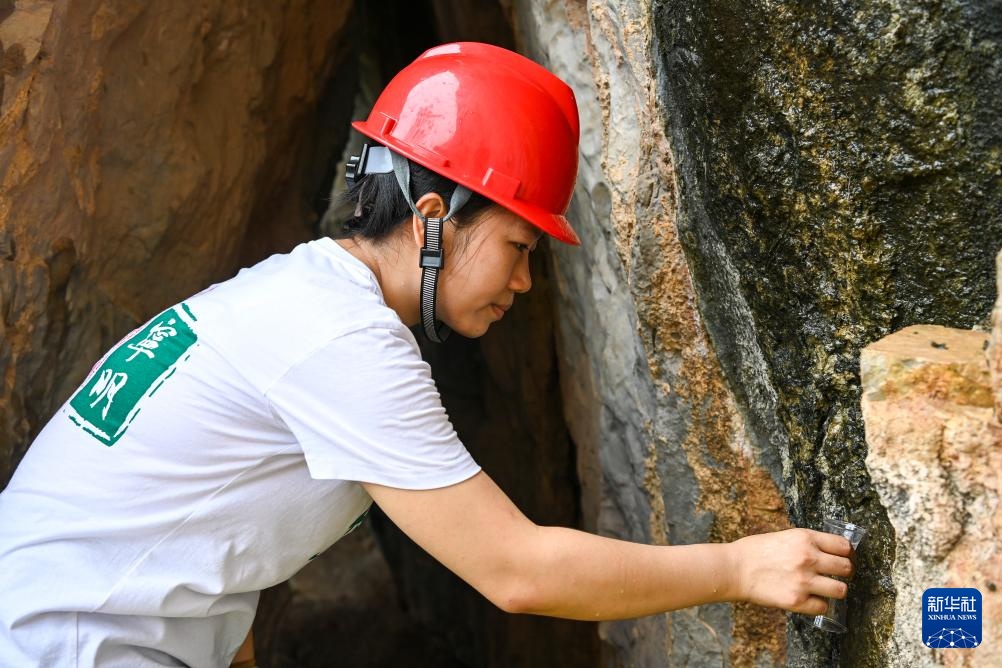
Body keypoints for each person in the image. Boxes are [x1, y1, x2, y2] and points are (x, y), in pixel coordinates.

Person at [0, 42, 853, 667]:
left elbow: (211, 533)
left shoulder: (293, 296)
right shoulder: (342, 341)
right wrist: (740, 566)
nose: (524, 282)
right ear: (435, 214)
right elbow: (515, 571)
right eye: (519, 246)